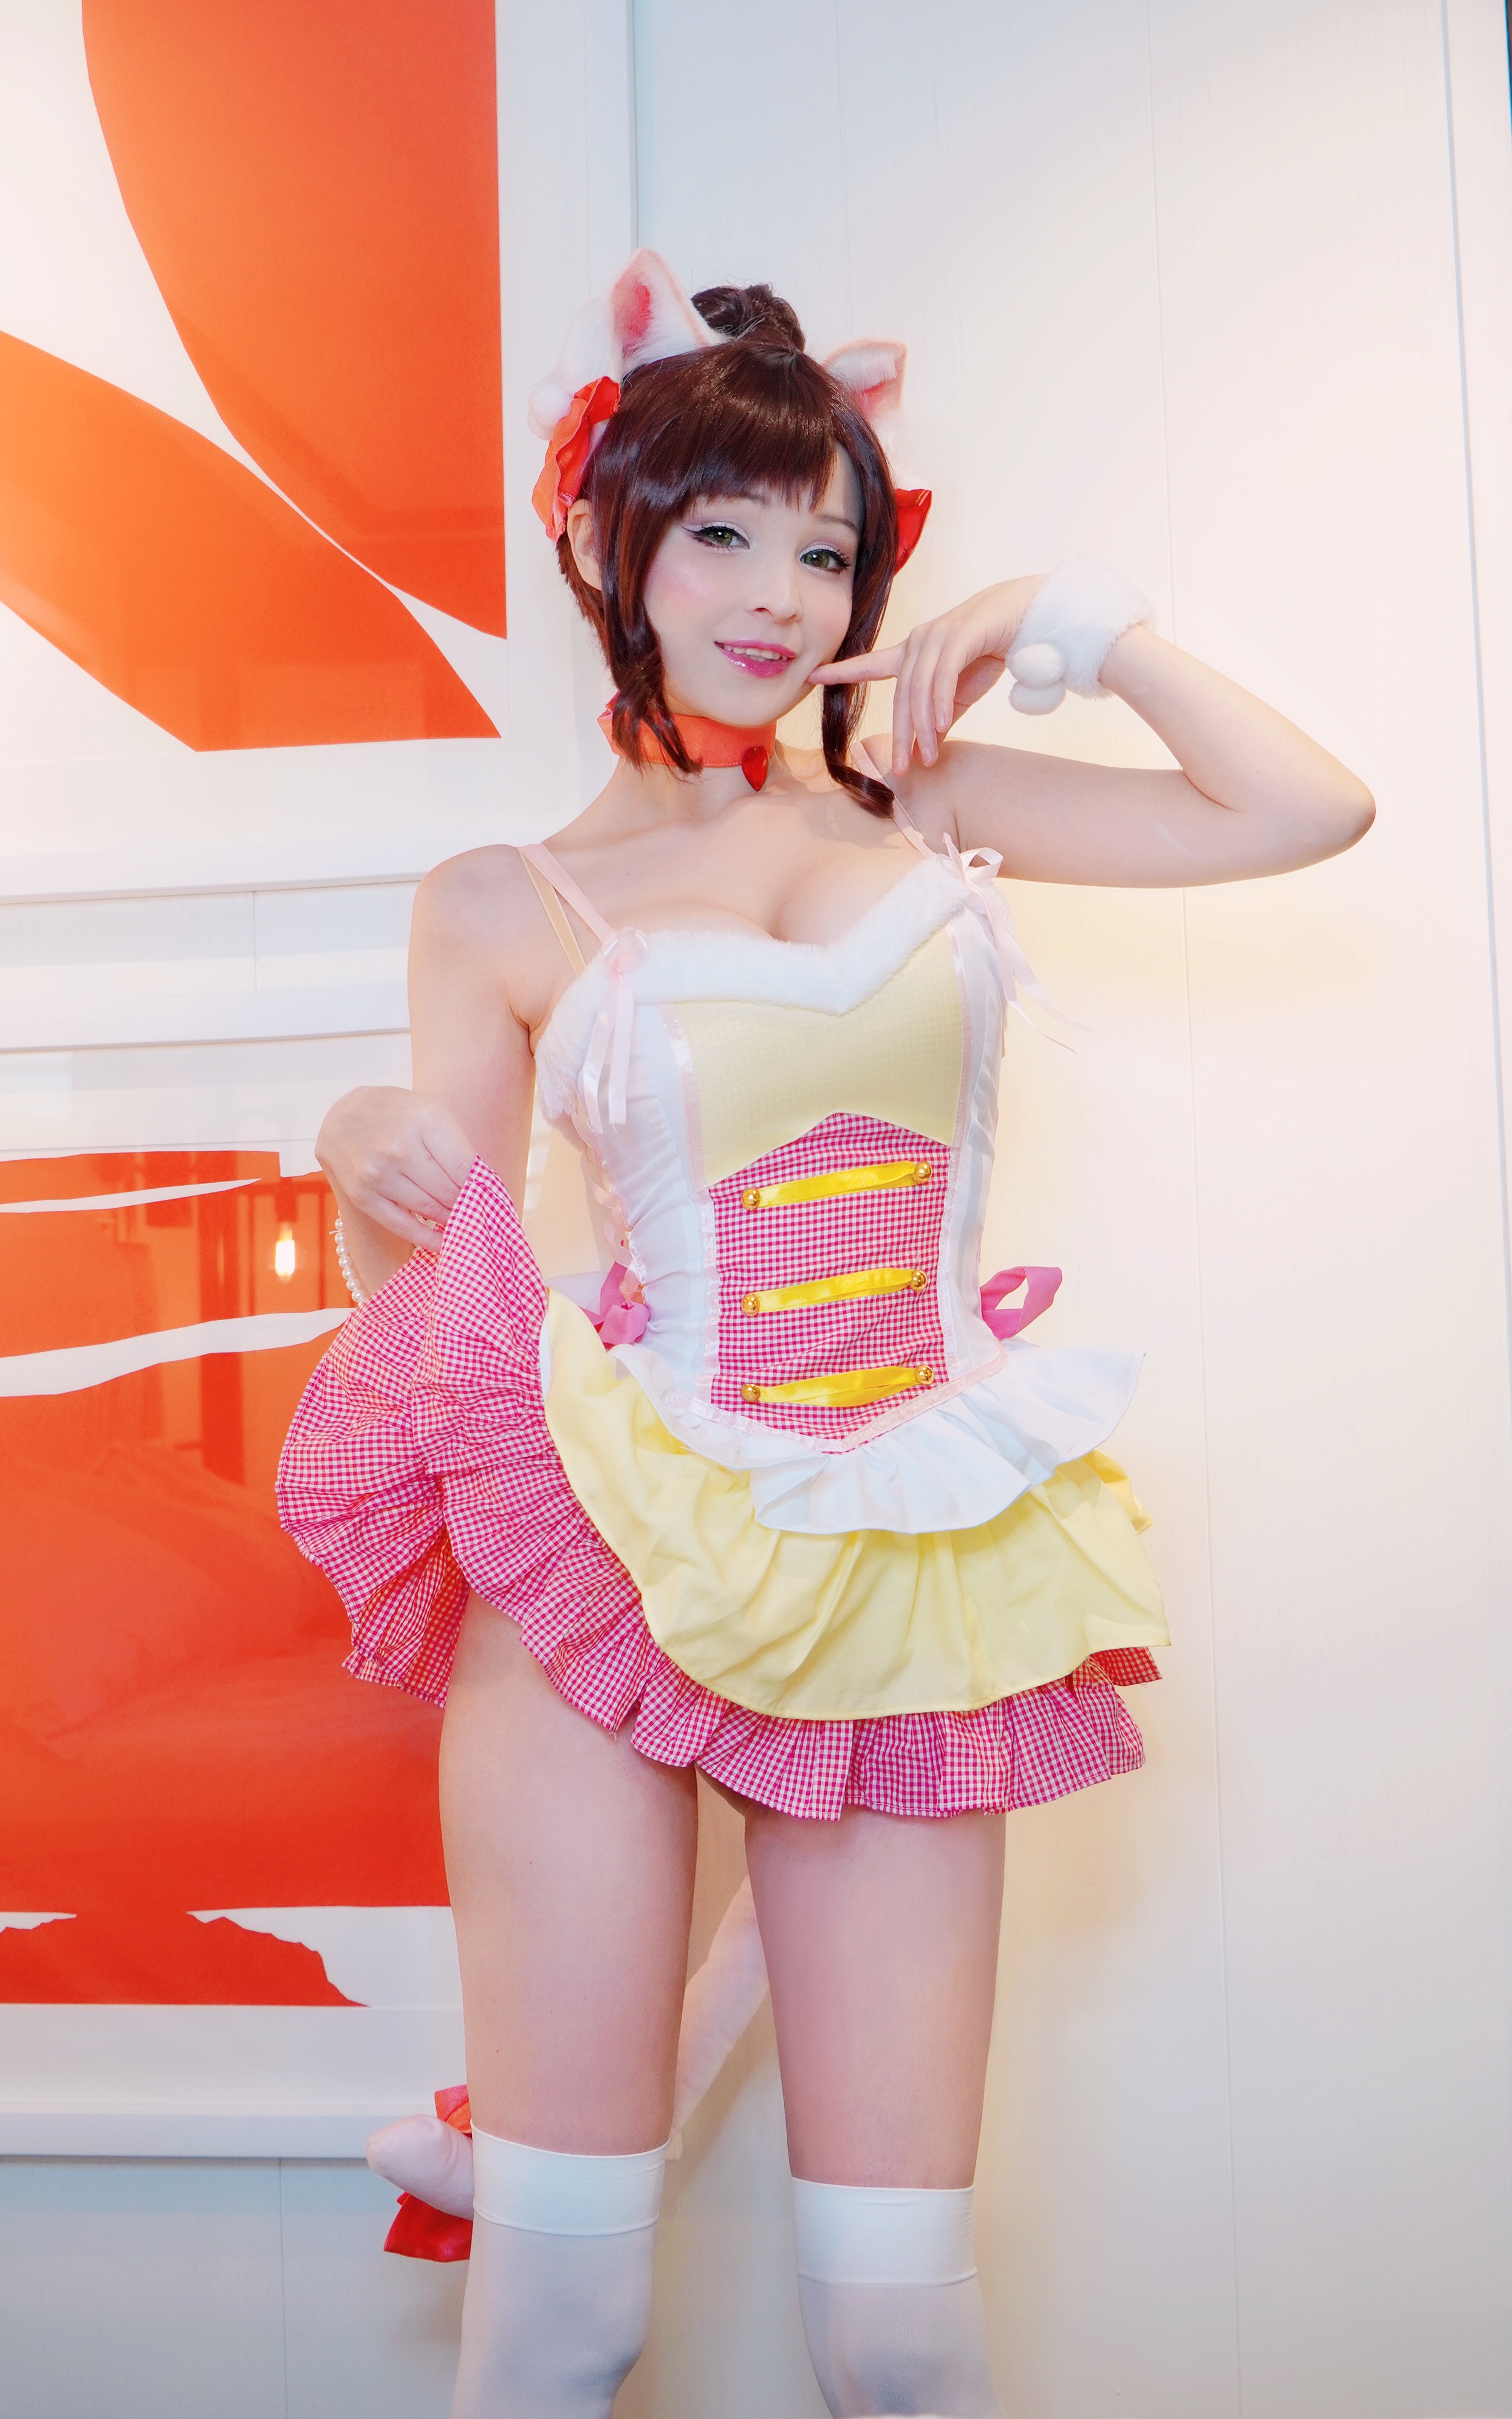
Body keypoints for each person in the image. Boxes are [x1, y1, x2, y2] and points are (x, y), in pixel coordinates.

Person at [278, 251, 1372, 2419]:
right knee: (568, 2316)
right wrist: (349, 1150)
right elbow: (425, 1300)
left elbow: (1301, 809)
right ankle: (513, 2162)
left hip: (901, 1546)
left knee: (895, 2327)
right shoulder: (502, 901)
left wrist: (1082, 622)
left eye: (827, 547)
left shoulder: (920, 807)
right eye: (723, 535)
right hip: (607, 1552)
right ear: (612, 548)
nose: (781, 596)